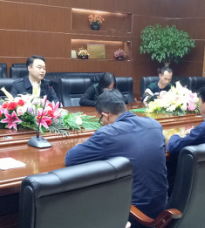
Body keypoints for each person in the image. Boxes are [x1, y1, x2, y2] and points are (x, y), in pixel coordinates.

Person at [65, 89, 168, 219]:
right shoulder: (154, 125)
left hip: (134, 214)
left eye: (100, 119)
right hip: (162, 207)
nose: (102, 123)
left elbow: (71, 158)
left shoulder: (108, 134)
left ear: (106, 114)